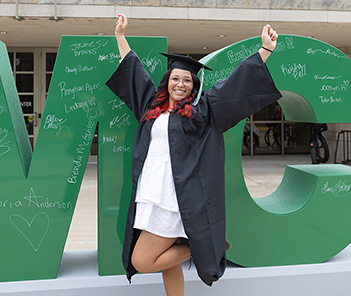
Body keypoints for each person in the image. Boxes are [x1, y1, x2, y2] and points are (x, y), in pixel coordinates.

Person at [106, 14, 281, 296]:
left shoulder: (202, 113)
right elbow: (133, 70)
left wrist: (265, 51)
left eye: (187, 80)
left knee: (142, 260)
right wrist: (120, 36)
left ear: (193, 85)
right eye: (175, 78)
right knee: (166, 263)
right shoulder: (151, 106)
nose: (180, 84)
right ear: (167, 81)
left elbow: (235, 85)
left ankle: (200, 247)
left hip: (175, 199)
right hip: (150, 194)